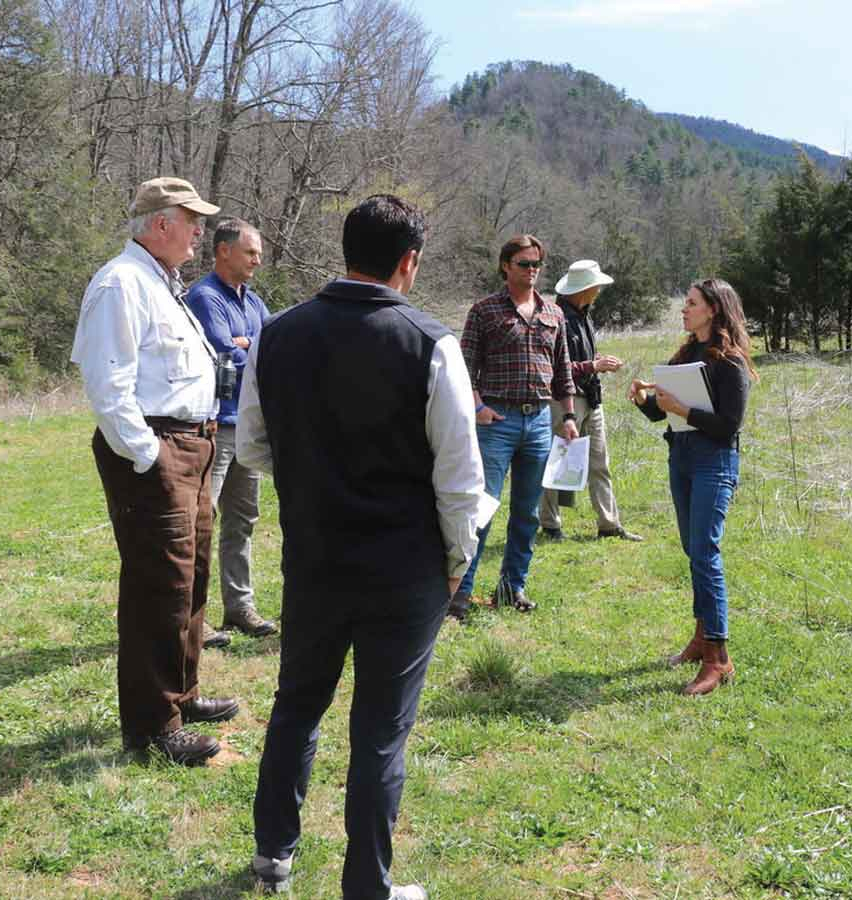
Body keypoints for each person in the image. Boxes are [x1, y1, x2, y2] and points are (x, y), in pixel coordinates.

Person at [238, 194, 484, 898]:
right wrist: (457, 563)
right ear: (409, 262)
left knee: (297, 703)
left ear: (347, 250)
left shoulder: (276, 334)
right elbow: (460, 479)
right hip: (403, 568)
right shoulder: (431, 342)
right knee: (380, 729)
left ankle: (272, 856)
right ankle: (366, 887)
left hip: (314, 554)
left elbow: (252, 444)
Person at [70, 176, 240, 765]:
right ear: (160, 223)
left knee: (189, 580)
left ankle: (182, 694)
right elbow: (107, 385)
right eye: (191, 219)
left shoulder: (160, 283)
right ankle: (152, 729)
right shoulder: (121, 283)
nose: (200, 231)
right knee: (158, 586)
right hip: (158, 449)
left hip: (193, 445)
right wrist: (149, 456)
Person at [628, 278, 758, 696]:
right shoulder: (687, 353)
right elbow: (661, 414)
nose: (684, 309)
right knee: (693, 549)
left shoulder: (730, 361)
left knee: (706, 552)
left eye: (691, 303)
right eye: (685, 302)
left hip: (714, 461)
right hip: (681, 456)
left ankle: (719, 659)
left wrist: (682, 407)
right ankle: (702, 638)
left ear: (714, 310)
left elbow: (728, 425)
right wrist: (644, 401)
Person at [449, 234, 579, 622]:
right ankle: (460, 594)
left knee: (526, 512)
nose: (532, 270)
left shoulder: (553, 314)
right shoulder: (485, 311)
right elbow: (463, 366)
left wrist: (568, 417)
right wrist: (478, 408)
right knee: (482, 509)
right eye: (524, 263)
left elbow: (563, 371)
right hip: (497, 421)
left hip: (539, 421)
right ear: (506, 265)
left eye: (536, 264)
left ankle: (512, 587)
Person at [187, 217, 278, 646]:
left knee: (243, 520)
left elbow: (271, 348)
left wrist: (247, 345)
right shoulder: (205, 297)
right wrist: (245, 347)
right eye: (250, 252)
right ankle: (192, 618)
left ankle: (239, 607)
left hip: (248, 427)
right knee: (200, 522)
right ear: (224, 251)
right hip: (215, 426)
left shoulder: (252, 301)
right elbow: (226, 354)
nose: (258, 260)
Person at [539, 259, 643, 543]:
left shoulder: (584, 315)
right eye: (595, 286)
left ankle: (609, 524)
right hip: (565, 400)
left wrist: (594, 363)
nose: (598, 291)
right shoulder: (555, 317)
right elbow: (553, 368)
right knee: (556, 461)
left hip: (591, 397)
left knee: (600, 462)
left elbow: (578, 361)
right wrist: (592, 366)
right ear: (584, 289)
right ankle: (550, 526)